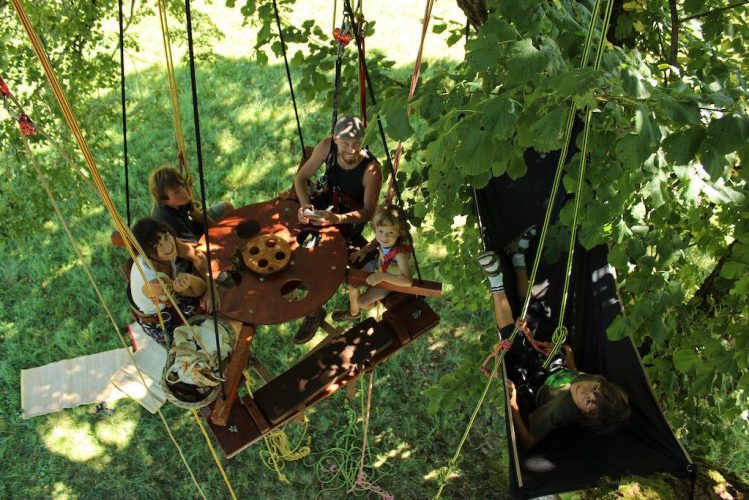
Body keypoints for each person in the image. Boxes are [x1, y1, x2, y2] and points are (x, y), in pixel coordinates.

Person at [478, 226, 631, 448]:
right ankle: (517, 256)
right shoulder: (599, 382)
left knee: (512, 340)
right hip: (554, 364)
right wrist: (570, 361)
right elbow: (579, 377)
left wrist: (513, 405)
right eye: (595, 388)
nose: (586, 390)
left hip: (534, 379)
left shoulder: (559, 411)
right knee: (534, 313)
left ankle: (495, 280)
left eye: (588, 400)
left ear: (584, 413)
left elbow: (529, 441)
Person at [291, 115, 383, 343]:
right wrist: (305, 206)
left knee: (319, 260)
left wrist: (337, 218)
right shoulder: (326, 147)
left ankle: (313, 310)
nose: (351, 150)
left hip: (347, 219)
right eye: (345, 143)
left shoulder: (371, 169)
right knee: (291, 237)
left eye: (356, 143)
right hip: (325, 201)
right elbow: (301, 179)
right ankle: (293, 284)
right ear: (335, 139)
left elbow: (368, 211)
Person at [128, 218, 214, 344]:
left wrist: (212, 287)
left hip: (170, 297)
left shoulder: (170, 243)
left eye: (166, 236)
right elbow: (198, 290)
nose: (168, 246)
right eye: (157, 245)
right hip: (163, 322)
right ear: (145, 252)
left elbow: (197, 256)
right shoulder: (156, 284)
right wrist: (191, 280)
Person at [331, 204, 413, 322]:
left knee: (362, 303)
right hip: (376, 266)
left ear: (399, 232)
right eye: (380, 231)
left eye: (390, 232)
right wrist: (363, 251)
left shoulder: (400, 253)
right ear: (375, 229)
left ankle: (360, 307)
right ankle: (354, 313)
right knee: (353, 284)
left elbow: (407, 281)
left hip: (390, 280)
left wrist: (382, 277)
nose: (384, 237)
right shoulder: (382, 237)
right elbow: (376, 241)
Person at [149, 166, 234, 243]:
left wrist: (219, 231)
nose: (185, 192)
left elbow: (200, 216)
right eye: (177, 192)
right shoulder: (168, 219)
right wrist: (222, 241)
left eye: (183, 186)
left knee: (227, 207)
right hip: (185, 244)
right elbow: (193, 248)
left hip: (191, 227)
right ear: (164, 200)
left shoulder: (181, 200)